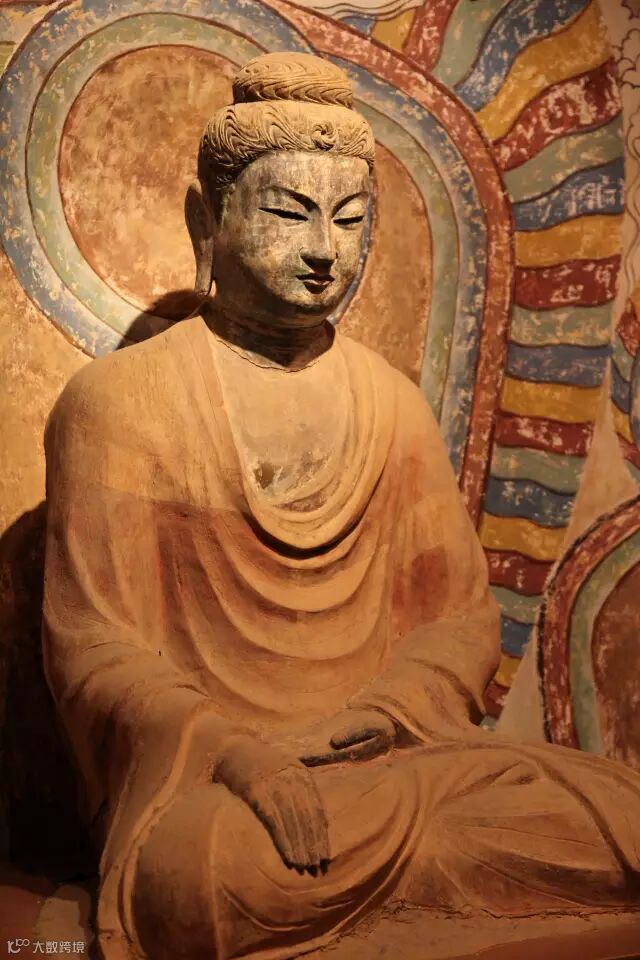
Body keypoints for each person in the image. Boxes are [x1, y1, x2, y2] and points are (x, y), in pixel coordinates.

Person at [42, 52, 640, 960]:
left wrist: (388, 713)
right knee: (204, 876)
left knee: (617, 814)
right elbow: (95, 648)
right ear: (208, 220)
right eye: (290, 212)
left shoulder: (390, 405)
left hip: (393, 767)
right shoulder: (118, 404)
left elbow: (459, 620)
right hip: (221, 786)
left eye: (351, 219)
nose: (325, 248)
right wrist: (236, 754)